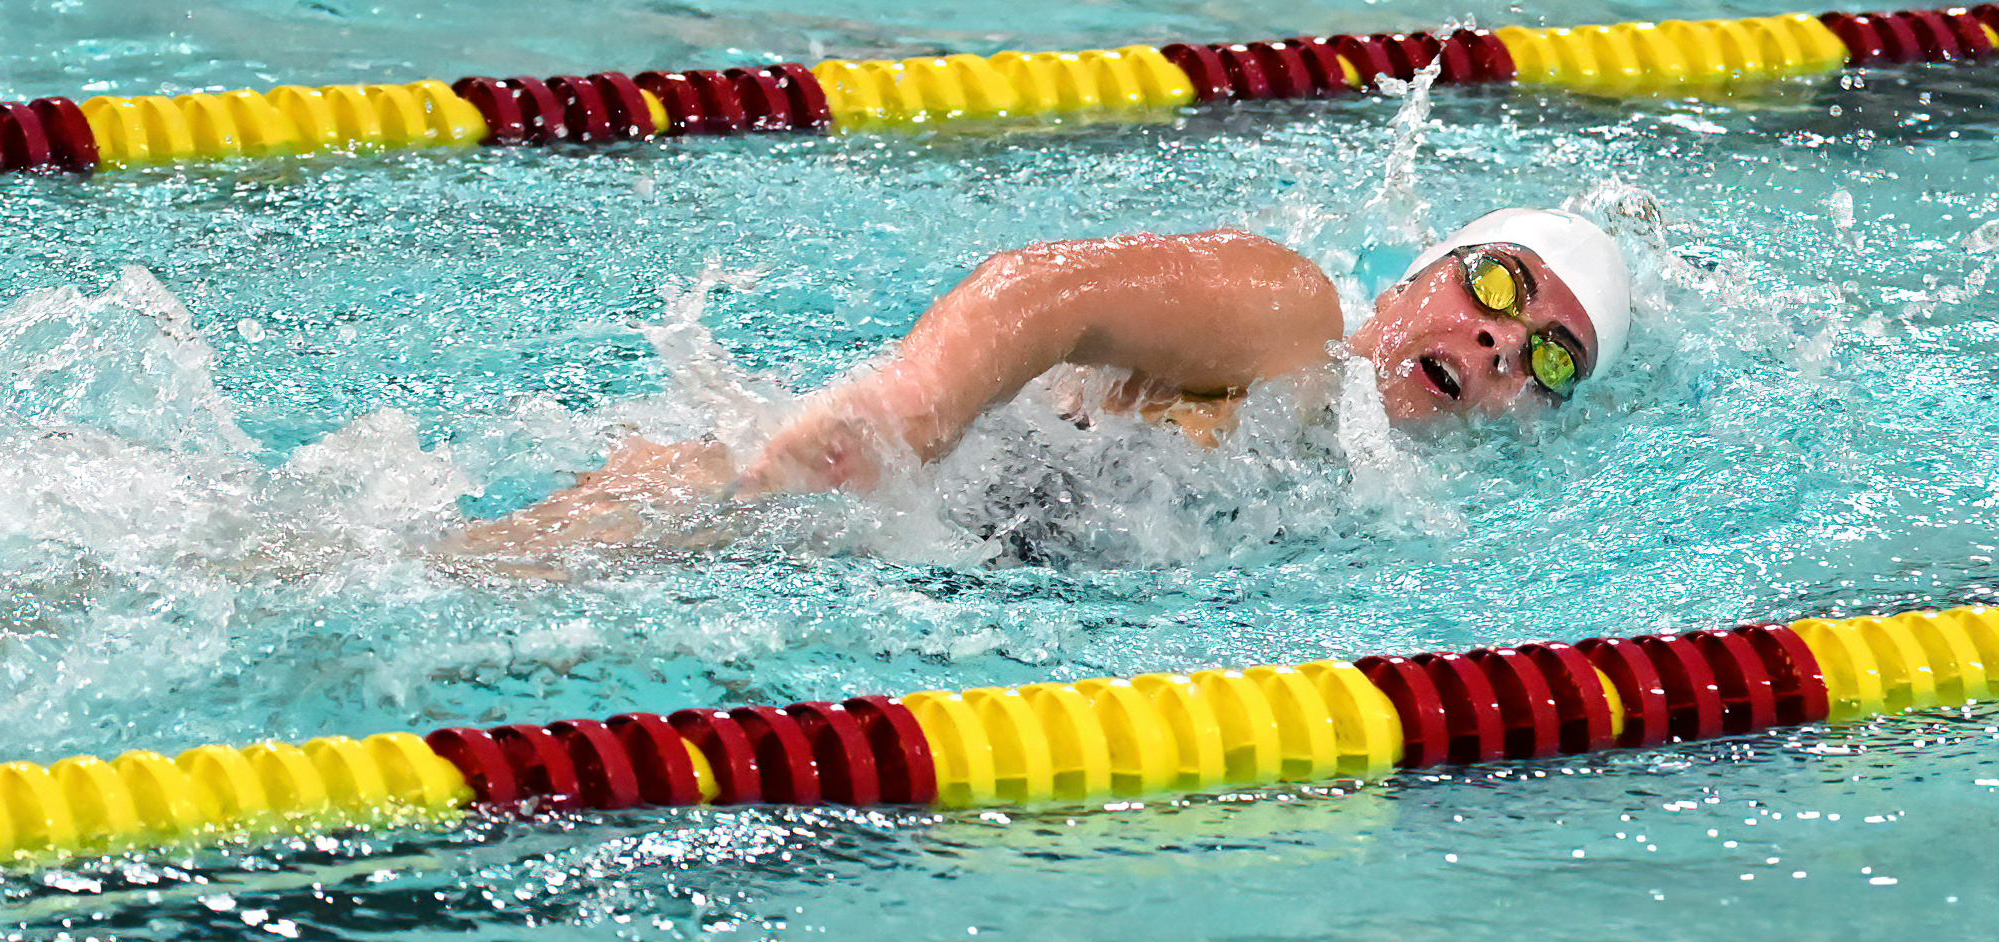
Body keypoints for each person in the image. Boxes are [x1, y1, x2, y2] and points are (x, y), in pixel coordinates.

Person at [445, 207, 1631, 557]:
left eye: (1549, 357)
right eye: (1493, 287)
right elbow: (1052, 291)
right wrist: (914, 409)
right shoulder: (1293, 316)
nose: (1498, 345)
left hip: (854, 566)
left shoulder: (1366, 498)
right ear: (1411, 282)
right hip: (752, 506)